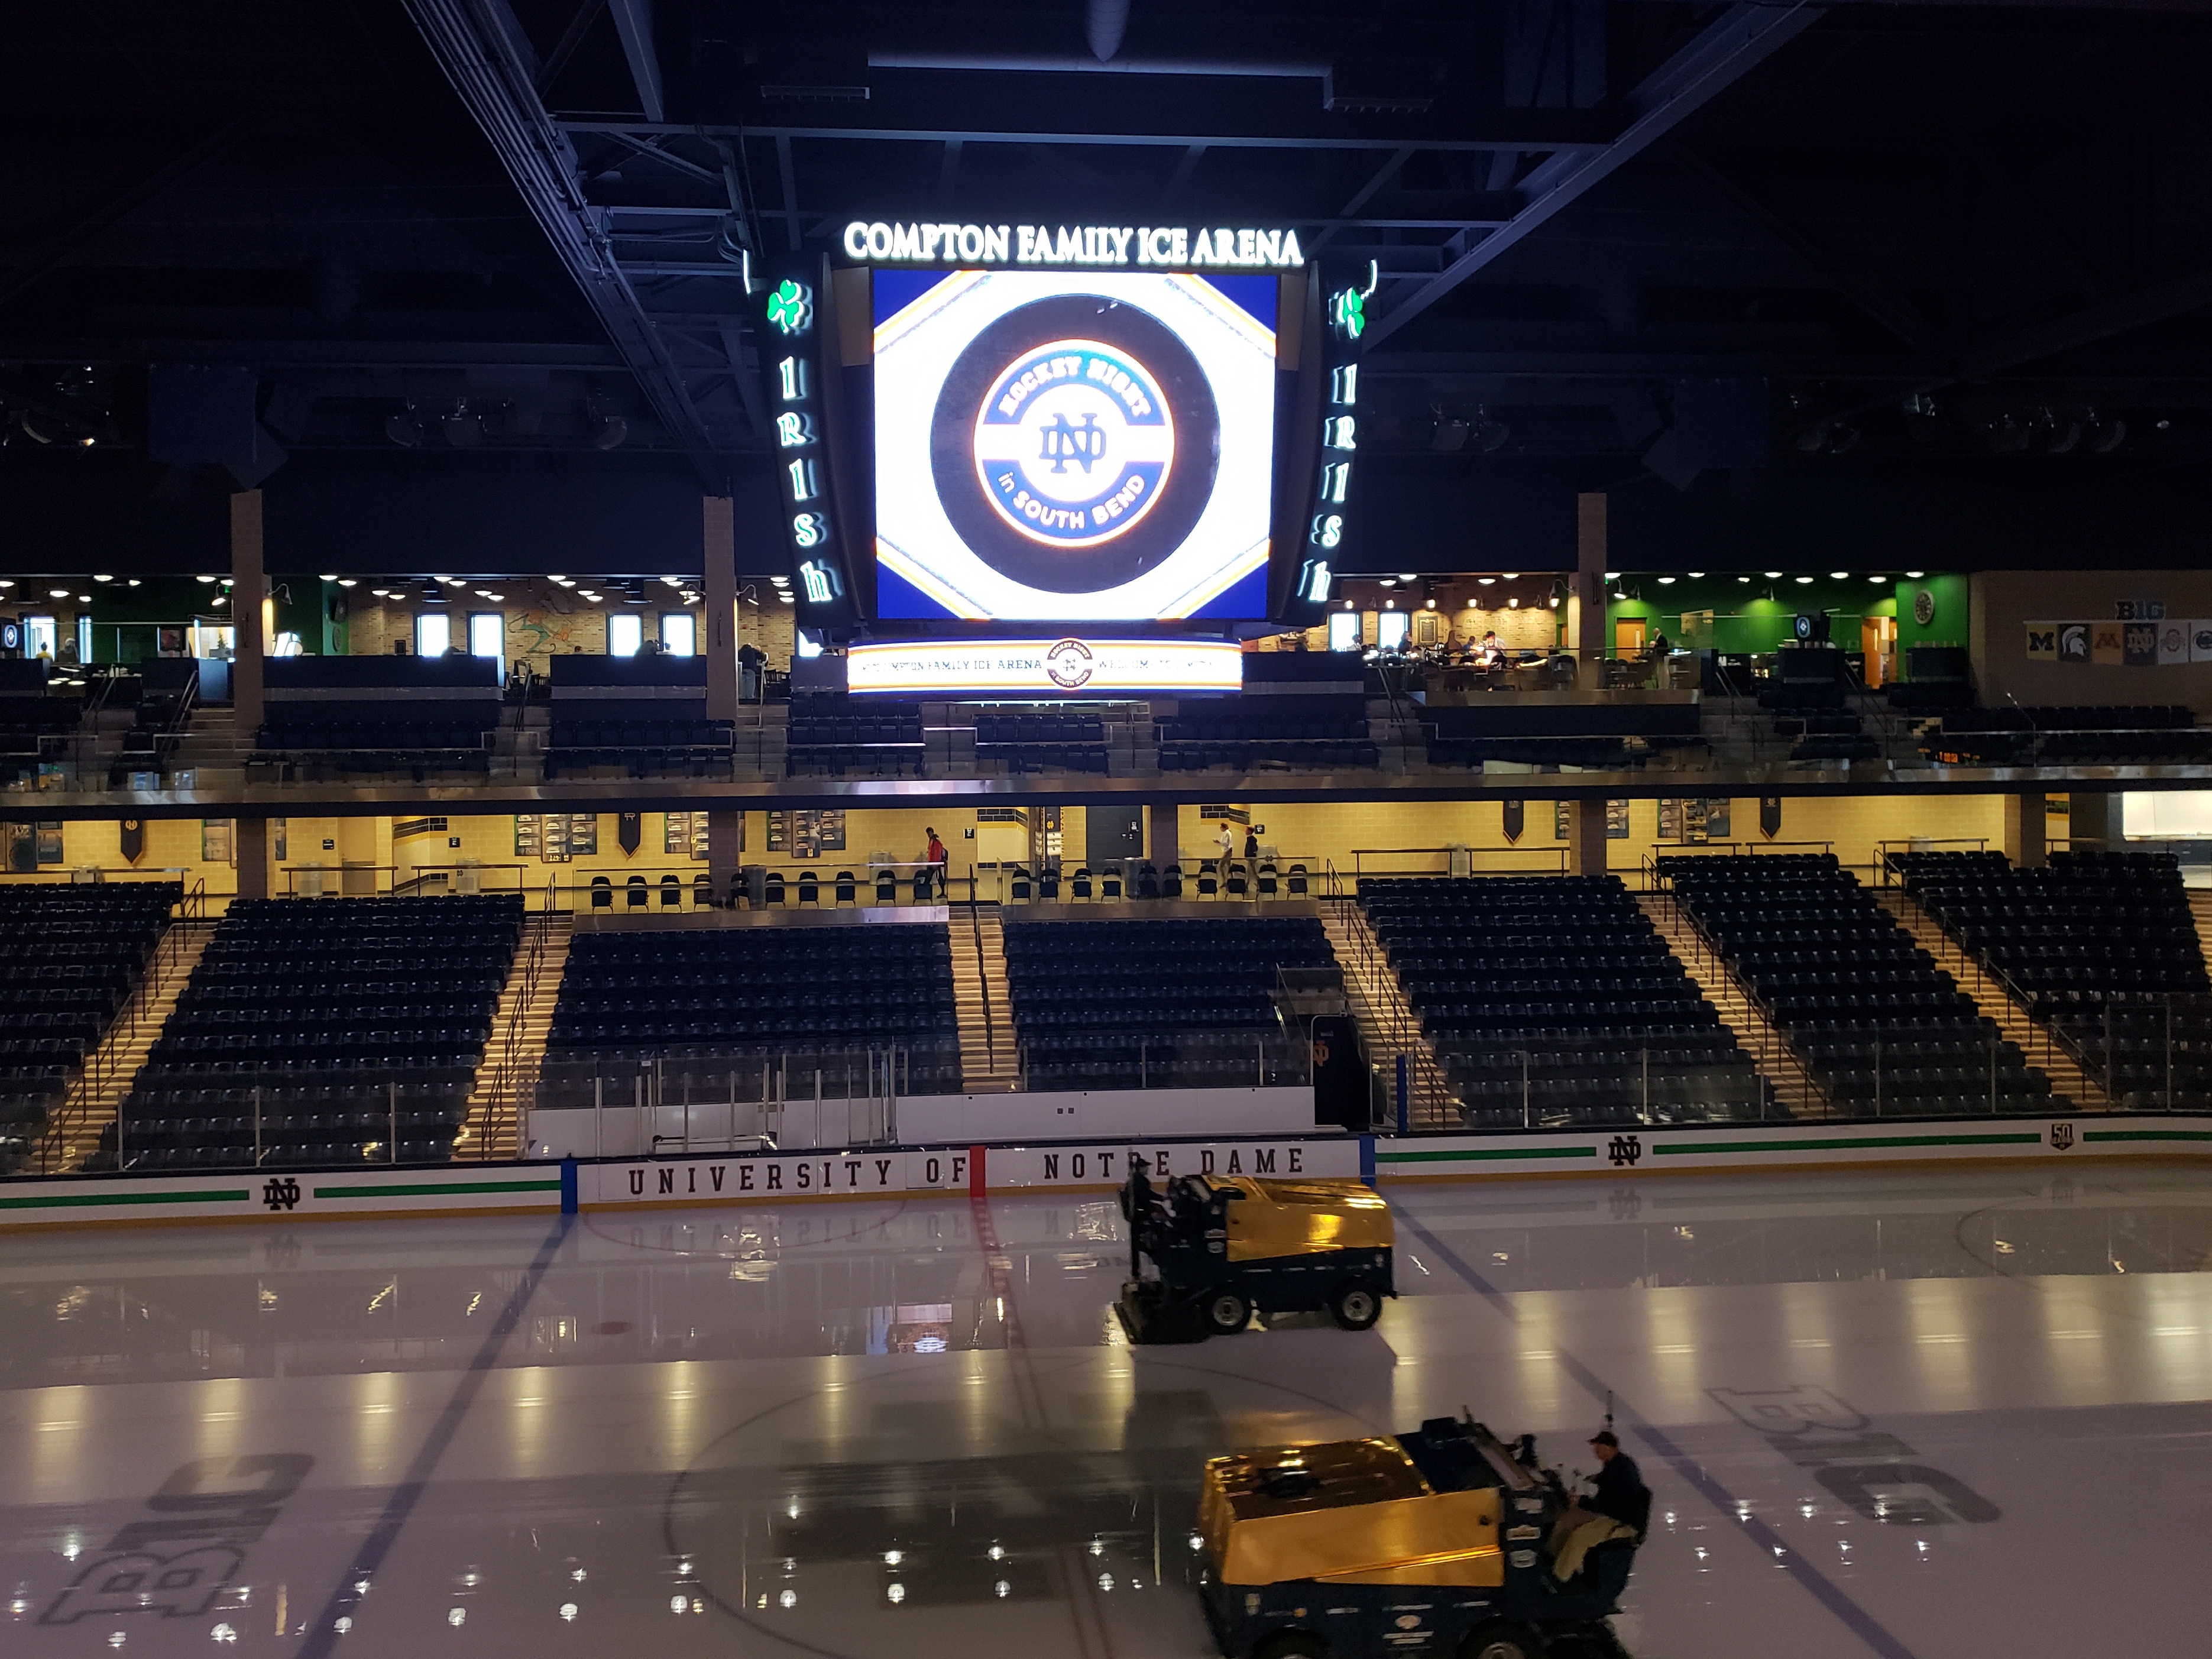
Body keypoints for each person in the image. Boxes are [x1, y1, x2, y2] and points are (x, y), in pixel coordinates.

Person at [1548, 1430, 1649, 1583]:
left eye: (1598, 1448)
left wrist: (1581, 1501)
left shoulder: (1621, 1470)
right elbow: (1604, 1485)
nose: (1595, 1452)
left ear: (1608, 1447)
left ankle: (1559, 1579)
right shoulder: (1615, 1464)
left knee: (1580, 1537)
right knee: (1567, 1521)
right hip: (1612, 1513)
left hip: (1622, 1521)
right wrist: (1592, 1481)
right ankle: (1553, 1560)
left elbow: (1606, 1504)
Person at [924, 827, 947, 899]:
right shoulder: (932, 840)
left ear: (932, 832)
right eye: (928, 834)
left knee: (931, 877)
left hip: (935, 863)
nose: (928, 835)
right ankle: (925, 892)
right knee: (934, 877)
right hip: (933, 862)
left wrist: (936, 863)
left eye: (929, 833)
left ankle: (924, 892)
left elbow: (937, 853)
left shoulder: (935, 841)